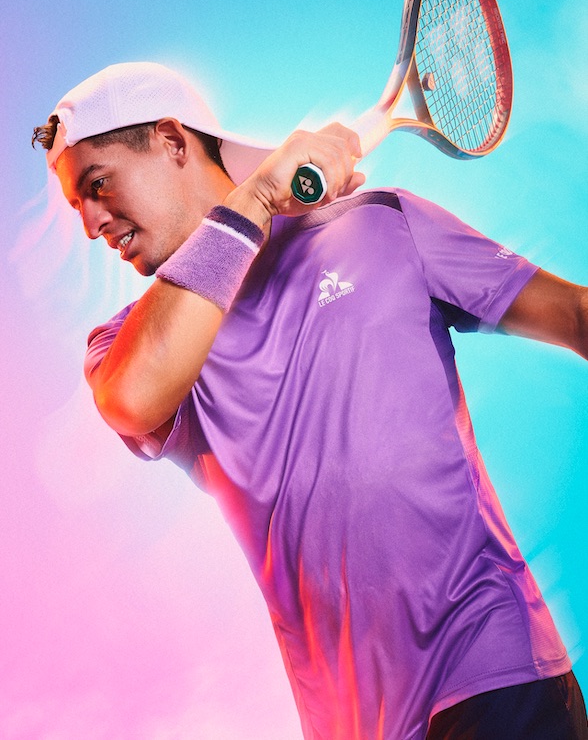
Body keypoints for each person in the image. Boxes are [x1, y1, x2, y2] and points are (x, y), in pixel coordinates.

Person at [33, 62, 588, 739]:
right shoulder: (127, 341)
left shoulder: (382, 223)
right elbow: (133, 398)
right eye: (78, 207)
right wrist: (257, 198)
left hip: (492, 674)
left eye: (98, 185)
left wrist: (264, 199)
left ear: (173, 141)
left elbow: (575, 316)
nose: (92, 223)